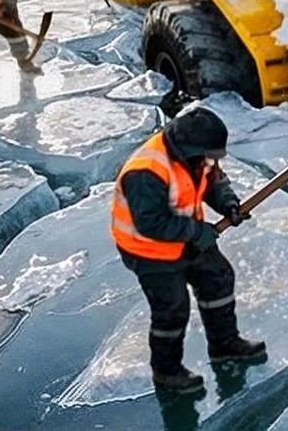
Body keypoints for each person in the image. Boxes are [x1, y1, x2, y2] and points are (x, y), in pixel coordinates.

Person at [111, 107, 267, 393]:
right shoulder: (146, 170)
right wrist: (196, 232)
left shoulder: (197, 156)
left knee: (218, 277)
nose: (213, 161)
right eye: (210, 155)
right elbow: (150, 222)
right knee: (172, 307)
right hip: (147, 249)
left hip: (185, 237)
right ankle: (167, 372)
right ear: (190, 149)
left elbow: (213, 181)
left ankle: (224, 344)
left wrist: (228, 203)